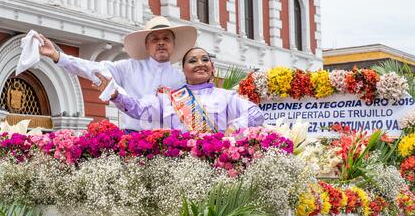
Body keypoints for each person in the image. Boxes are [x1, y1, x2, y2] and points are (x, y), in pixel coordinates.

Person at [38, 16, 197, 132]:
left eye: (166, 38)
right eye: (155, 39)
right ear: (147, 46)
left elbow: (189, 118)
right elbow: (94, 68)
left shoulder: (182, 79)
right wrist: (58, 56)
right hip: (132, 140)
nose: (161, 42)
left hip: (169, 145)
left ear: (173, 44)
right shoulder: (128, 67)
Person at [103, 47, 264, 135]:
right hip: (180, 170)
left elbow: (255, 113)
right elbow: (138, 109)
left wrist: (234, 127)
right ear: (184, 71)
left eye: (205, 59)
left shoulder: (226, 96)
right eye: (193, 61)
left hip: (217, 165)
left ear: (212, 68)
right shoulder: (169, 99)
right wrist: (116, 96)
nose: (200, 63)